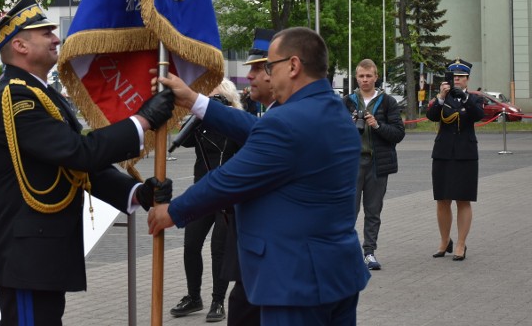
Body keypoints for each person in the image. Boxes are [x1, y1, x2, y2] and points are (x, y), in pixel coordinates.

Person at [149, 27, 370, 326]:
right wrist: (193, 100)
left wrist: (172, 212)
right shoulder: (333, 110)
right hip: (337, 275)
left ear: (293, 66)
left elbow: (226, 181)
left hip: (295, 283)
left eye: (270, 67)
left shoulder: (288, 122)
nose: (266, 74)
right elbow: (255, 129)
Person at [0, 0, 174, 326]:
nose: (57, 38)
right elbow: (78, 153)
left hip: (41, 250)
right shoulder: (16, 96)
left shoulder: (41, 93)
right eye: (46, 33)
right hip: (26, 254)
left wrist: (134, 193)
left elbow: (73, 167)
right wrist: (141, 121)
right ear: (21, 46)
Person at [169, 80, 242, 323]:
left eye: (216, 98)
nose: (211, 103)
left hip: (227, 196)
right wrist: (196, 115)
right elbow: (184, 139)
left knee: (219, 249)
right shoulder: (201, 125)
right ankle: (193, 296)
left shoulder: (237, 124)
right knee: (191, 245)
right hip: (202, 193)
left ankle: (218, 301)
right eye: (208, 99)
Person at [342, 59, 405, 271]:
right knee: (349, 210)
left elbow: (398, 134)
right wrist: (348, 126)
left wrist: (376, 125)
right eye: (361, 76)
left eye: (369, 76)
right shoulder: (348, 102)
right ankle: (346, 253)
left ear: (376, 77)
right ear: (356, 78)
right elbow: (335, 134)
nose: (365, 80)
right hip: (352, 164)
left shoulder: (387, 102)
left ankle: (369, 252)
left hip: (377, 163)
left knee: (373, 210)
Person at [426, 58, 484, 262]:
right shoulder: (442, 99)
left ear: (468, 79)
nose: (457, 80)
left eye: (461, 77)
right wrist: (442, 97)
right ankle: (444, 241)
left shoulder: (474, 99)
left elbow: (478, 115)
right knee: (442, 199)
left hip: (465, 154)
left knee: (463, 199)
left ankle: (461, 244)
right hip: (443, 153)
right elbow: (432, 115)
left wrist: (465, 99)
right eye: (454, 77)